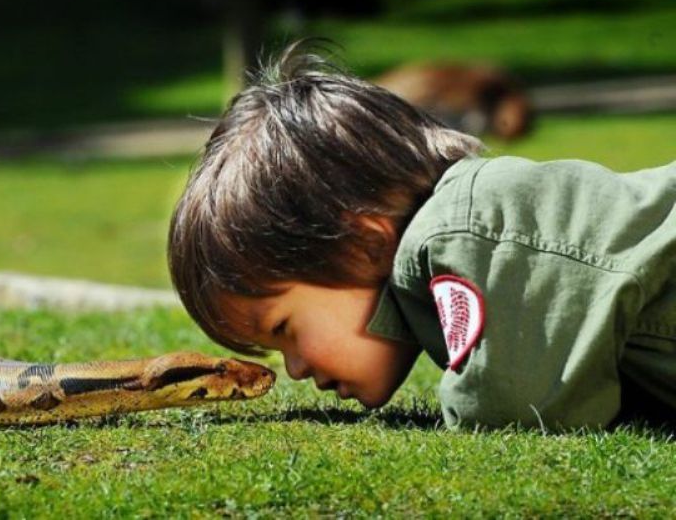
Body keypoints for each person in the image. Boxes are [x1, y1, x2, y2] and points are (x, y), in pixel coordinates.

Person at [167, 39, 676, 430]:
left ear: (365, 241)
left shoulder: (459, 233)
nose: (296, 370)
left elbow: (516, 403)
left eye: (285, 331)